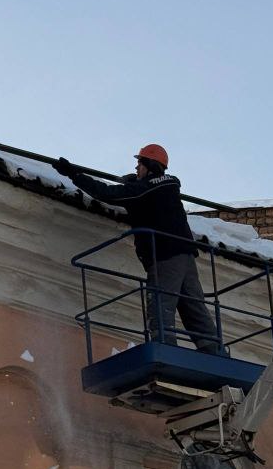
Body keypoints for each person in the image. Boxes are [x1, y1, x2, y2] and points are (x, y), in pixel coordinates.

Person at [53, 144, 224, 355]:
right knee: (193, 307)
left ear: (150, 166)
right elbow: (142, 199)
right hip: (185, 255)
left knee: (160, 303)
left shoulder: (148, 189)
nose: (136, 169)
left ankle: (166, 348)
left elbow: (108, 193)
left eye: (139, 164)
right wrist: (134, 183)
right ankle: (214, 351)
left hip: (165, 254)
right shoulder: (162, 188)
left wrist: (74, 174)